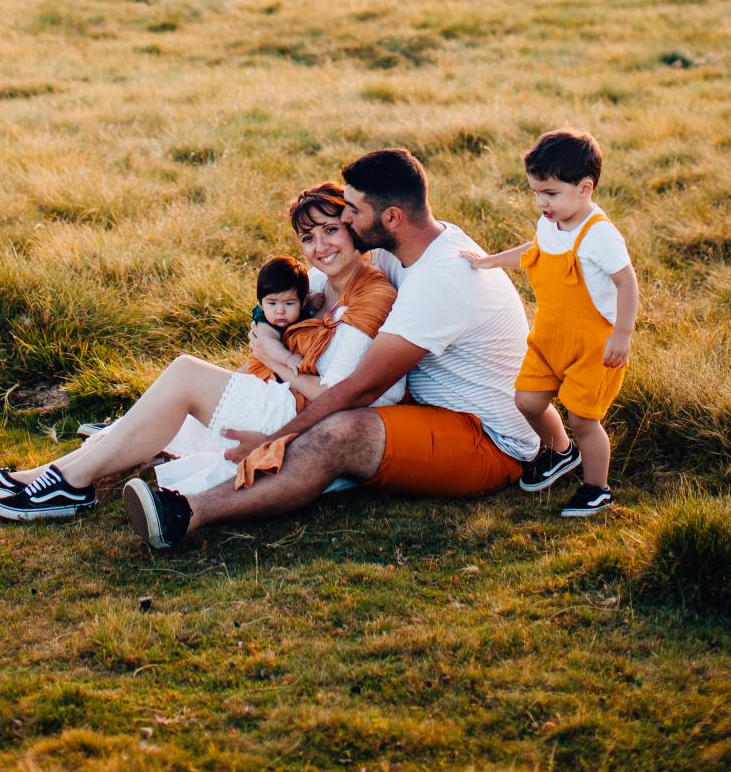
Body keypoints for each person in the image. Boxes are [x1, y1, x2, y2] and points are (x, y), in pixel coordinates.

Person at [121, 148, 540, 551]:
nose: (345, 216)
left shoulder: (439, 279)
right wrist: (270, 324)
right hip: (427, 407)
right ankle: (155, 437)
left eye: (354, 210)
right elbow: (317, 286)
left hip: (486, 439)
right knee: (323, 419)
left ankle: (185, 512)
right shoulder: (406, 246)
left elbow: (356, 389)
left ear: (391, 217)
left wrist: (274, 439)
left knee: (339, 431)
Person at [0, 183, 400, 522]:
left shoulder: (370, 293)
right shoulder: (322, 284)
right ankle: (41, 477)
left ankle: (70, 486)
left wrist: (276, 357)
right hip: (282, 395)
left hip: (304, 414)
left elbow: (337, 392)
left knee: (184, 374)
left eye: (330, 230)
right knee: (162, 411)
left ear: (353, 228)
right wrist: (265, 353)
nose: (320, 247)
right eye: (307, 238)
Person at [458, 127, 638, 516]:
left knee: (583, 418)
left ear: (585, 187)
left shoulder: (599, 234)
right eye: (536, 192)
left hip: (593, 344)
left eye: (551, 193)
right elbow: (535, 251)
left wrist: (622, 333)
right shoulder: (550, 223)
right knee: (527, 399)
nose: (541, 202)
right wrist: (490, 260)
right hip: (550, 337)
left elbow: (626, 281)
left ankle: (597, 488)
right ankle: (560, 451)